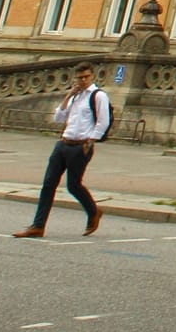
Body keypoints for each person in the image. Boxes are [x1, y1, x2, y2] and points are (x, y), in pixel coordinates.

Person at [14, 64, 109, 238]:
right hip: (64, 143)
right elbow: (59, 118)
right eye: (79, 77)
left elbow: (103, 121)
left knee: (74, 185)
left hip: (80, 146)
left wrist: (90, 141)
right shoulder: (75, 96)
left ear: (92, 77)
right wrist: (68, 96)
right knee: (48, 184)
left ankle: (93, 211)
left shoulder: (98, 96)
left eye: (85, 77)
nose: (82, 81)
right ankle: (38, 226)